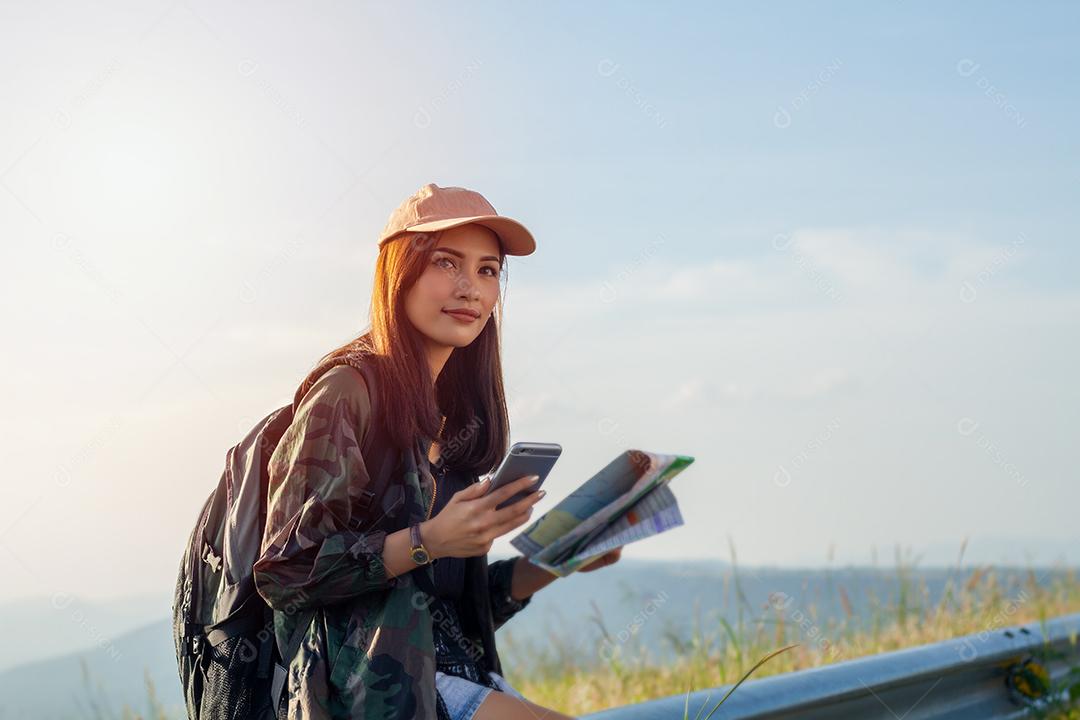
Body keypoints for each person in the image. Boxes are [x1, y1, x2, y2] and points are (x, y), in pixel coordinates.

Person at [253, 183, 623, 720]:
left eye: (487, 270)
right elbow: (285, 572)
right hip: (365, 692)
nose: (470, 288)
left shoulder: (455, 424)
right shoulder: (345, 393)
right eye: (446, 263)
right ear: (398, 275)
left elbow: (451, 607)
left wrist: (563, 558)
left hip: (450, 677)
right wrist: (427, 540)